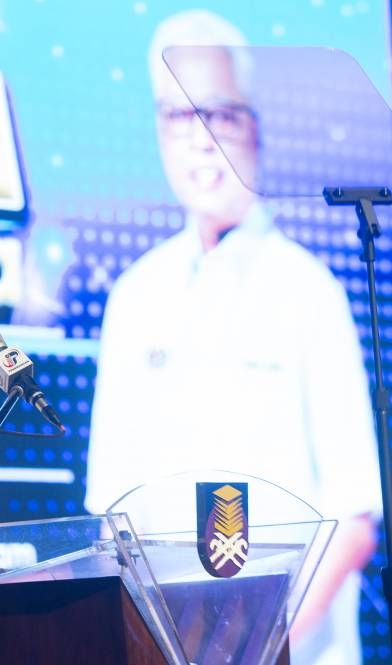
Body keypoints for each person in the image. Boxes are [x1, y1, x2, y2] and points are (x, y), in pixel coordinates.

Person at [83, 11, 381, 665]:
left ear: (255, 124)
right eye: (178, 117)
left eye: (217, 113)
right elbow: (111, 518)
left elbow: (355, 517)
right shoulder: (134, 295)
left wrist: (253, 647)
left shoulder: (310, 291)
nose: (200, 140)